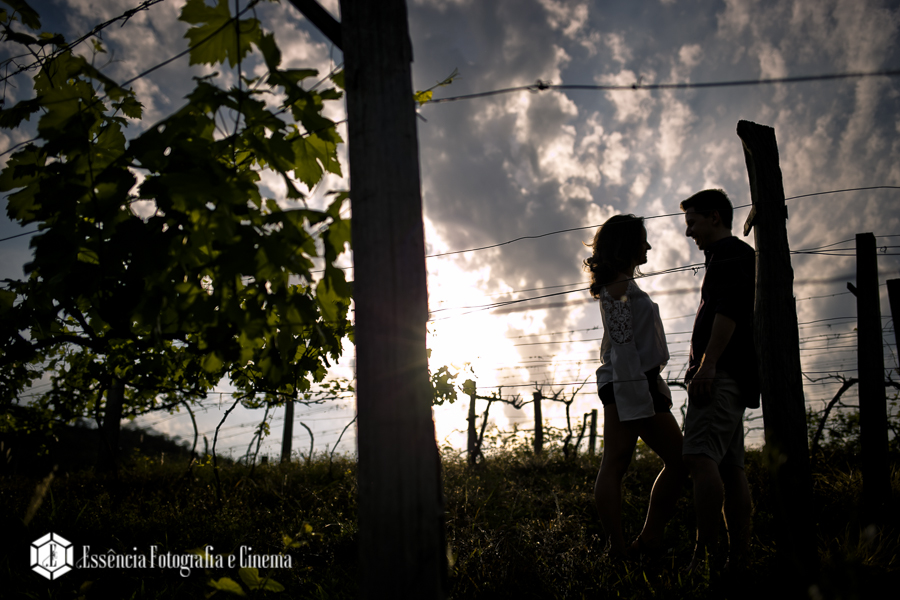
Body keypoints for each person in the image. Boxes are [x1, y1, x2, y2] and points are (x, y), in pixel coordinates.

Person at [585, 214, 686, 561]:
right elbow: (625, 348)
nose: (648, 245)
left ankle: (637, 543)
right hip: (631, 383)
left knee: (621, 461)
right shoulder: (618, 288)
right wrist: (639, 392)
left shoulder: (623, 284)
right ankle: (631, 545)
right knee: (666, 460)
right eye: (643, 239)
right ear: (627, 243)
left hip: (633, 382)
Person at [680, 189, 759, 573]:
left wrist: (708, 365)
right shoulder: (731, 257)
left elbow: (728, 311)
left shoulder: (729, 254)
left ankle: (706, 557)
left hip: (721, 376)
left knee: (699, 457)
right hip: (733, 376)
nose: (688, 232)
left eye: (692, 223)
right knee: (730, 468)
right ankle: (739, 556)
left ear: (714, 216)